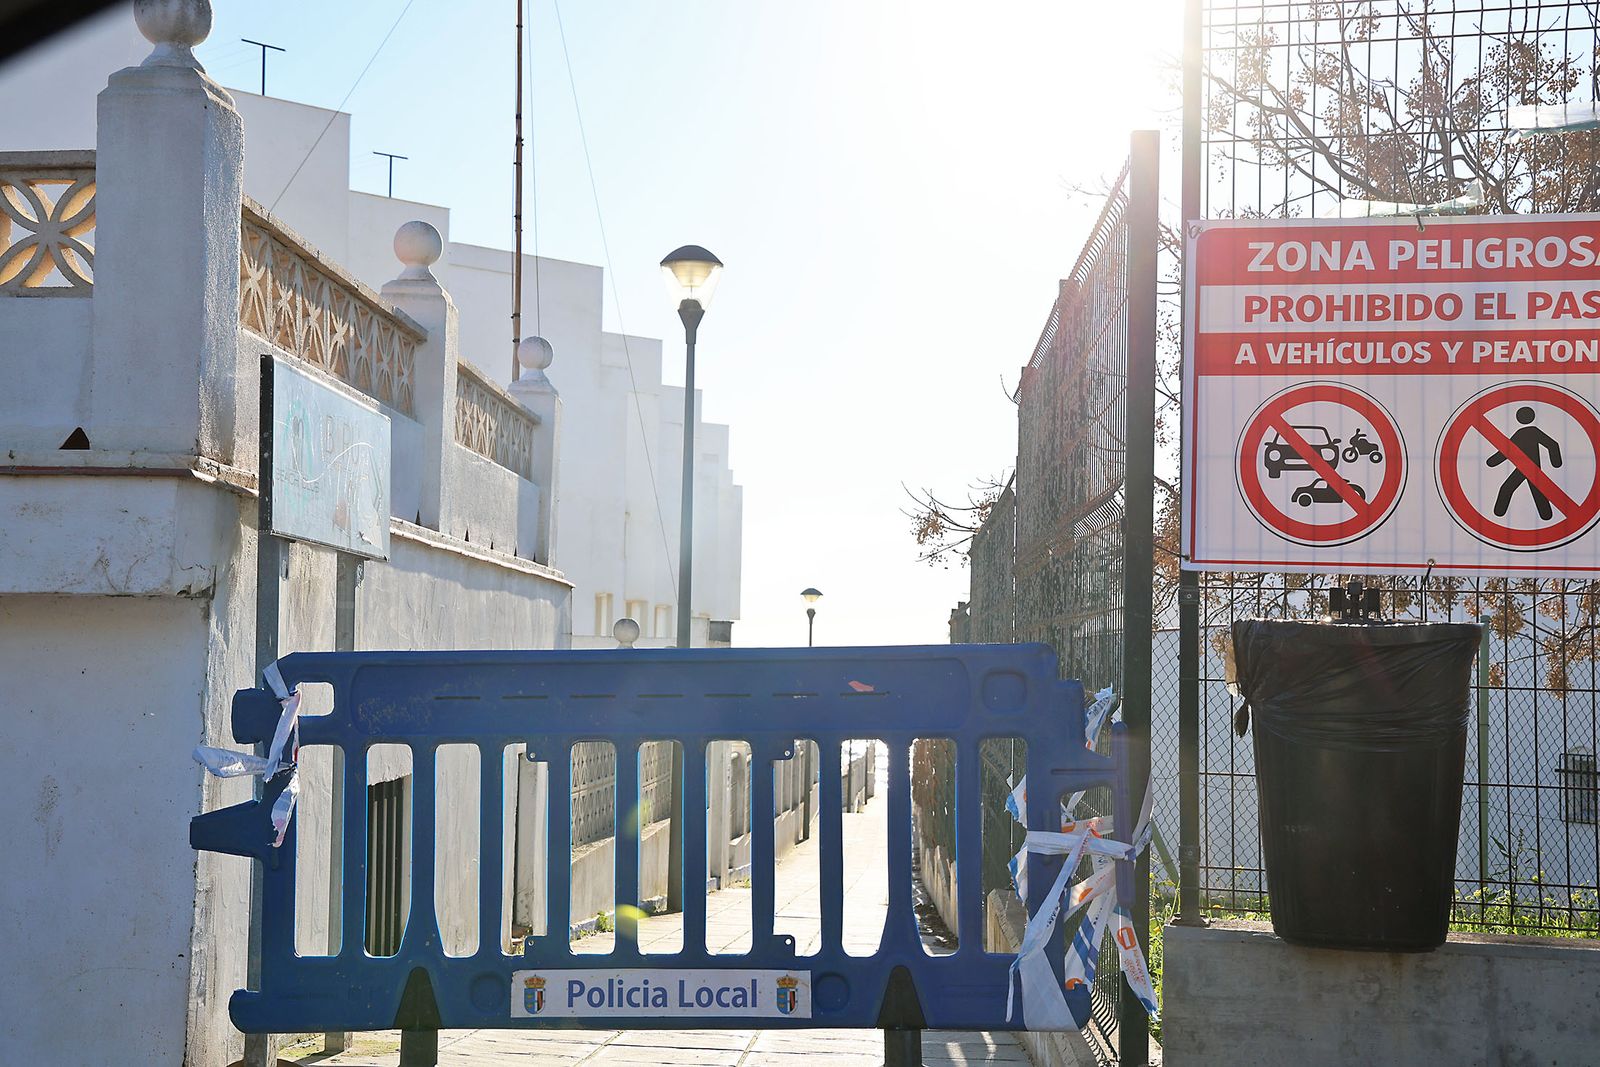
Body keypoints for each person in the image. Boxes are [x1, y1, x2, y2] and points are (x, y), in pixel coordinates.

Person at [1489, 406, 1561, 520]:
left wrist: (1492, 462)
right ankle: (1546, 515)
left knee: (1507, 488)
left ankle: (1499, 512)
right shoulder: (1528, 432)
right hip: (1526, 468)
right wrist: (1556, 462)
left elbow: (1506, 451)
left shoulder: (1524, 433)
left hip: (1530, 469)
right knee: (1534, 491)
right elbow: (1552, 445)